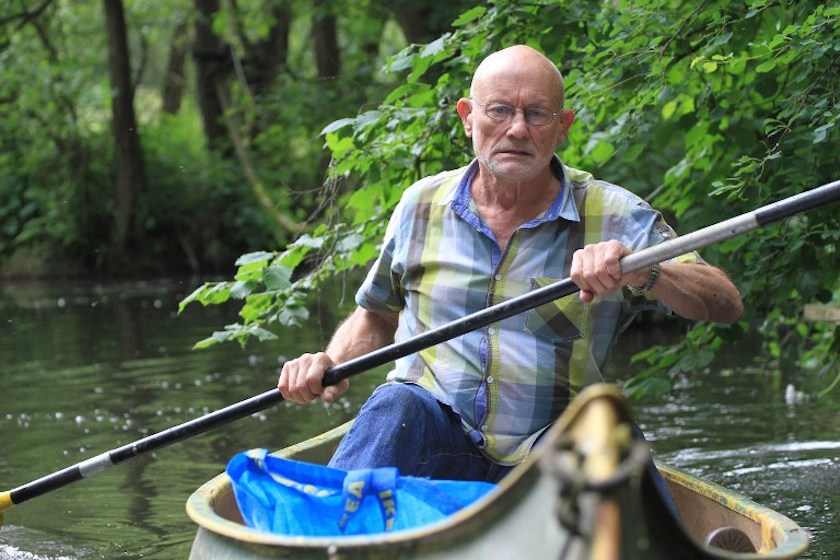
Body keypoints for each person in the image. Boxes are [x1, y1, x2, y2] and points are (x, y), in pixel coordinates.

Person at [278, 45, 743, 484]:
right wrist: (331, 364)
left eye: (536, 114)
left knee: (606, 429)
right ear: (468, 117)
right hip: (435, 443)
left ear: (562, 127)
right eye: (499, 110)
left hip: (552, 456)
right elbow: (377, 314)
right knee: (396, 401)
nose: (517, 129)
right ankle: (327, 539)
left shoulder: (615, 214)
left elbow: (725, 304)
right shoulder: (419, 205)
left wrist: (648, 271)